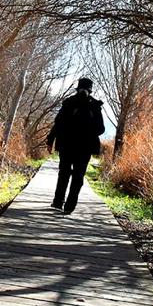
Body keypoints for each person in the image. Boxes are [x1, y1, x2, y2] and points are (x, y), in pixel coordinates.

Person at [46, 77, 105, 214]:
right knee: (78, 177)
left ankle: (58, 202)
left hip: (67, 145)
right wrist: (89, 130)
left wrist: (50, 140)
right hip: (85, 148)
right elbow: (101, 129)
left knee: (64, 174)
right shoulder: (95, 106)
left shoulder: (69, 103)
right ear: (90, 91)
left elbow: (58, 123)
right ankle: (70, 206)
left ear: (78, 89)